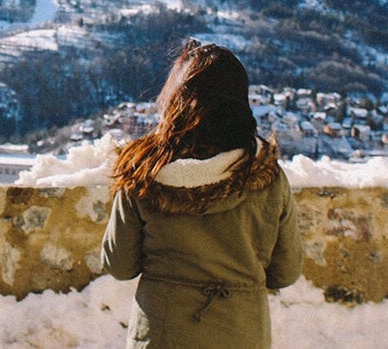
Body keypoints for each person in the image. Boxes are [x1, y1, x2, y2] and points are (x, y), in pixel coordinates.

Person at [101, 39, 302, 349]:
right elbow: (285, 272)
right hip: (241, 333)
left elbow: (120, 265)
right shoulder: (267, 177)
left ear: (175, 98)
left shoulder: (143, 173)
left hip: (162, 334)